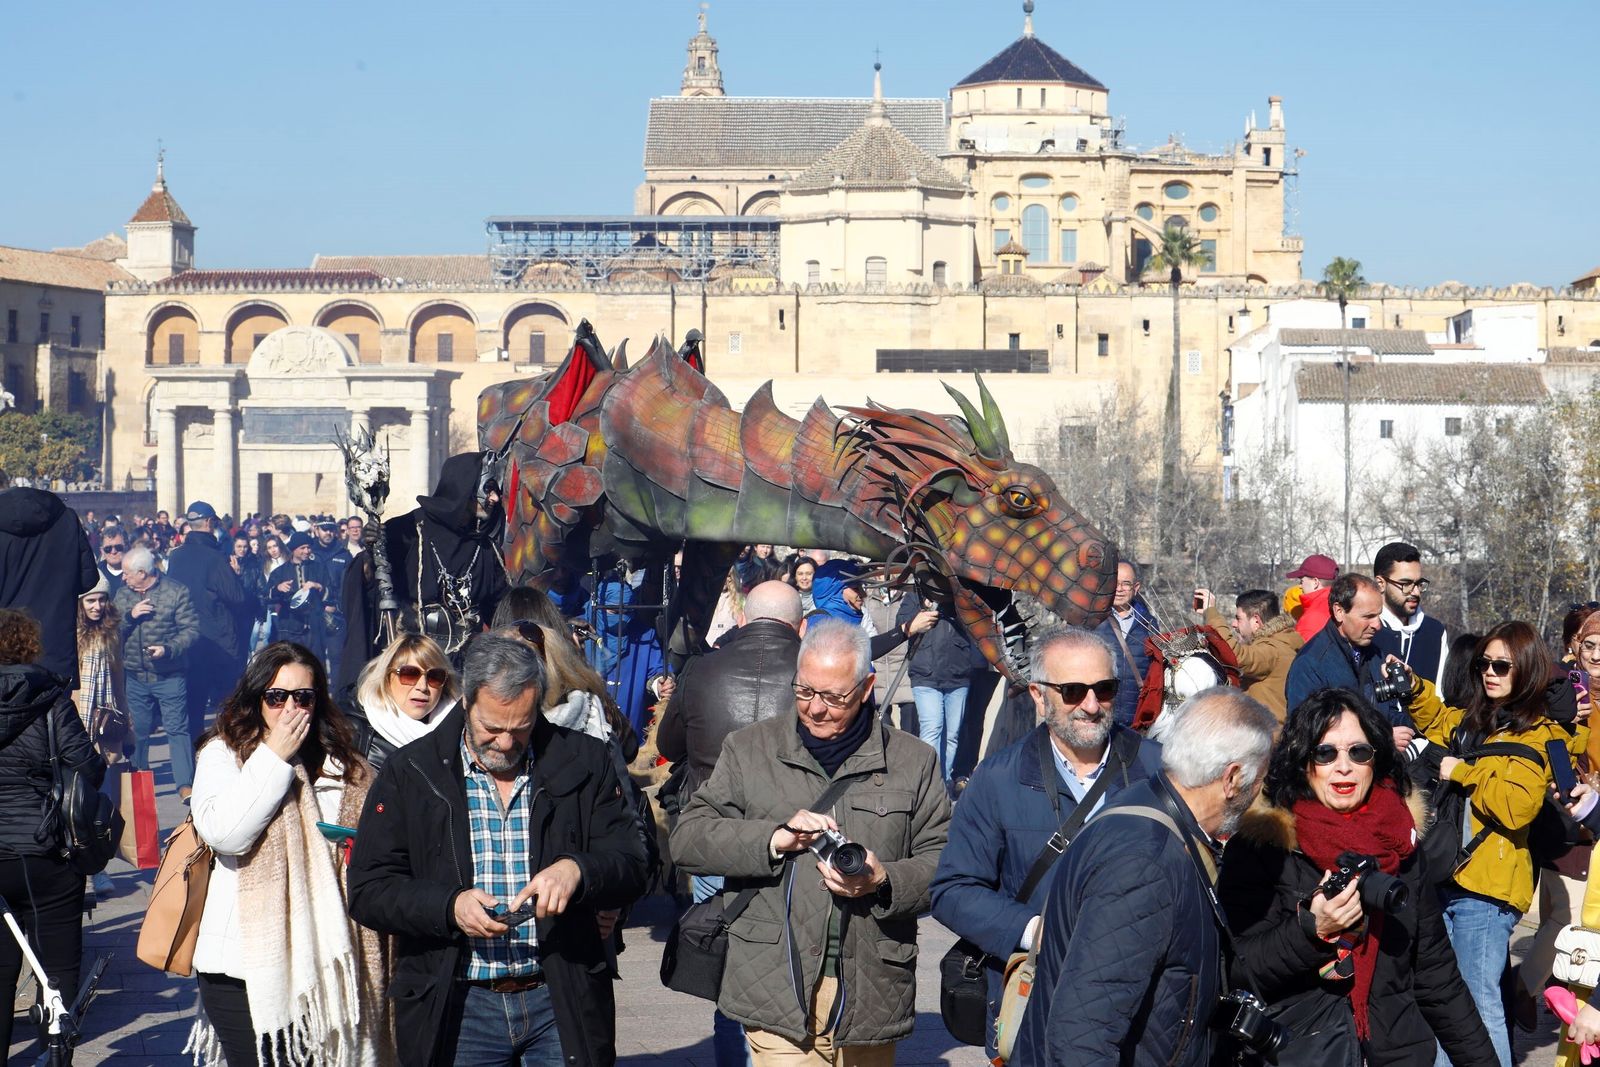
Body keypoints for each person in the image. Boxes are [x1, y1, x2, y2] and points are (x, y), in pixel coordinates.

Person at [347, 634, 648, 1067]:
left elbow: (633, 862)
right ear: (467, 702)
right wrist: (449, 906)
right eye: (492, 728)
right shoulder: (410, 770)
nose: (506, 743)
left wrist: (578, 871)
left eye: (521, 729)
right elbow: (370, 888)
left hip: (559, 995)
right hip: (459, 1003)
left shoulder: (584, 759)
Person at [671, 620, 952, 1066]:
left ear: (866, 688)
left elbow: (945, 863)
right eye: (804, 691)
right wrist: (775, 837)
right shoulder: (749, 749)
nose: (815, 708)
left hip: (873, 989)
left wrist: (884, 881)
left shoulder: (912, 761)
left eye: (833, 697)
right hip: (775, 987)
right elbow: (688, 838)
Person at [1218, 688, 1494, 1067]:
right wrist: (1310, 931)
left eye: (1358, 752)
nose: (1343, 766)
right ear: (1302, 761)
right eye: (1325, 753)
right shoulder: (1264, 845)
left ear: (1376, 759)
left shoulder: (1402, 844)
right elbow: (1236, 969)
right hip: (1301, 1051)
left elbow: (1437, 978)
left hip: (1398, 1053)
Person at [1009, 687, 1277, 1067]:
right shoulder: (1145, 862)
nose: (1258, 793)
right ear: (1232, 778)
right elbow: (1082, 1037)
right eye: (1259, 779)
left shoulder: (1148, 805)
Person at [930, 627, 1162, 1053]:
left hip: (1138, 1012)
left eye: (1104, 689)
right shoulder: (998, 778)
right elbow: (952, 889)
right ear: (1038, 696)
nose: (1091, 706)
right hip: (1035, 1005)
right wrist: (1034, 930)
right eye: (1073, 691)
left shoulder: (1159, 770)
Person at [187, 641, 392, 1066]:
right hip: (243, 965)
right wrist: (274, 757)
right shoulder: (223, 754)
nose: (290, 708)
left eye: (303, 696)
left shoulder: (344, 765)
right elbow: (227, 834)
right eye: (276, 697)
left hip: (324, 961)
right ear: (256, 697)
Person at [1408, 621, 1566, 1067]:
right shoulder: (1480, 720)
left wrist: (1461, 772)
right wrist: (1413, 688)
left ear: (1529, 670)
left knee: (1479, 1006)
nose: (1490, 673)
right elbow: (1441, 719)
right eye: (1483, 664)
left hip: (1488, 891)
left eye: (1502, 665)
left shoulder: (1539, 734)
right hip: (1450, 877)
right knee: (1447, 1007)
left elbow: (1517, 807)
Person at [0, 609, 105, 1058]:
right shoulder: (50, 698)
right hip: (47, 849)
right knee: (58, 969)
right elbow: (87, 767)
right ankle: (54, 1054)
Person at [338, 452, 511, 688]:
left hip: (465, 676)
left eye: (497, 490)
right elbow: (368, 585)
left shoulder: (485, 549)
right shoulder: (407, 532)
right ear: (465, 487)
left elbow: (504, 611)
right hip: (410, 672)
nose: (495, 498)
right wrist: (370, 555)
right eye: (489, 488)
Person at [114, 544, 201, 800]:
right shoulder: (123, 595)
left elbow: (191, 630)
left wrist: (168, 648)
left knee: (177, 729)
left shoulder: (176, 592)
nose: (123, 577)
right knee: (138, 729)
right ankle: (140, 775)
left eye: (127, 572)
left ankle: (185, 784)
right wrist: (130, 615)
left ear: (142, 572)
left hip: (169, 676)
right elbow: (111, 629)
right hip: (136, 676)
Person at [1286, 573, 1416, 740]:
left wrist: (1414, 725)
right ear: (1339, 612)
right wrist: (1381, 739)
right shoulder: (1310, 664)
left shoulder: (1374, 653)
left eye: (1378, 616)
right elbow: (1305, 734)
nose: (1377, 625)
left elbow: (1386, 712)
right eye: (1368, 617)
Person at [0, 479, 99, 686]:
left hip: (6, 651)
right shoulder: (66, 518)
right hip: (55, 650)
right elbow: (88, 578)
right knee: (55, 717)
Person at [167, 501, 247, 738]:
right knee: (227, 708)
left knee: (194, 709)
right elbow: (237, 598)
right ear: (210, 523)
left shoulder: (175, 557)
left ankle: (194, 761)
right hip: (219, 643)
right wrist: (236, 575)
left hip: (188, 640)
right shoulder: (216, 558)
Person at [896, 590, 986, 784]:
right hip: (925, 675)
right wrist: (923, 609)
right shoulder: (915, 595)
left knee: (952, 735)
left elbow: (978, 624)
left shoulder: (960, 595)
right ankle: (931, 785)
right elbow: (902, 625)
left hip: (958, 674)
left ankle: (943, 783)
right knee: (931, 729)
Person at [342, 633, 459, 772]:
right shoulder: (352, 730)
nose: (422, 687)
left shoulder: (460, 733)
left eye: (434, 676)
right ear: (386, 678)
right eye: (410, 674)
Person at [1195, 587, 1304, 720]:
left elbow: (1236, 656)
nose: (1234, 624)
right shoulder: (1283, 641)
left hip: (1267, 738)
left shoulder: (1272, 650)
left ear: (1256, 621)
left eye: (1238, 618)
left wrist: (1211, 613)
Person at [1372, 542, 1451, 686]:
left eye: (1418, 583)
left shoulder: (1434, 631)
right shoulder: (1366, 630)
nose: (1415, 592)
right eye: (1406, 584)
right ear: (1381, 583)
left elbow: (1440, 694)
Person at [1093, 560, 1154, 729]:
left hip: (1136, 718)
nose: (1119, 589)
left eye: (1126, 584)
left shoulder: (1149, 624)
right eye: (1115, 583)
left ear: (1136, 588)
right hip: (1098, 714)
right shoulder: (1092, 621)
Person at [268, 533, 331, 665]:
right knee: (291, 665)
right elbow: (265, 596)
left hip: (314, 628)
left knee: (316, 665)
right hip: (290, 627)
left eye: (308, 547)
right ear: (294, 549)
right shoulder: (280, 572)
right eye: (302, 548)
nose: (307, 551)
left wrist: (318, 586)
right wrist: (277, 588)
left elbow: (332, 593)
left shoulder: (319, 568)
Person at [1285, 553, 1340, 643]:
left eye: (1301, 581)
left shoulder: (1309, 622)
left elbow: (1303, 656)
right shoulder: (1343, 604)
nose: (1300, 586)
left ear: (1315, 582)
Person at [97, 524, 130, 598]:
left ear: (126, 547)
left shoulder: (136, 572)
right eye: (108, 549)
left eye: (118, 547)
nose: (113, 551)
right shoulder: (95, 574)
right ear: (102, 551)